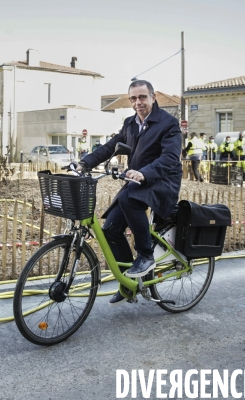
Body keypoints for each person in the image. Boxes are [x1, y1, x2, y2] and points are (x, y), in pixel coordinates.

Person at [78, 80, 182, 305]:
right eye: (133, 98)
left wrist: (145, 173)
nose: (138, 102)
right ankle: (128, 283)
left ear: (153, 97)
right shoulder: (130, 123)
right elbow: (110, 147)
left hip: (161, 180)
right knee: (111, 231)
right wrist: (84, 163)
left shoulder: (169, 123)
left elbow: (171, 158)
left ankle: (145, 256)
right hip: (137, 180)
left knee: (128, 197)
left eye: (142, 97)